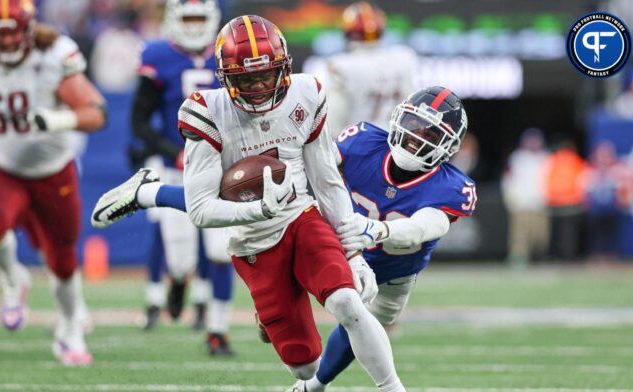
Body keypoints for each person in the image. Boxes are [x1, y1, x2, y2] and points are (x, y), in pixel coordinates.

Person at [93, 14, 405, 391]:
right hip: (252, 239)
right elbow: (202, 208)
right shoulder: (207, 111)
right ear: (225, 78)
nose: (258, 87)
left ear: (284, 69)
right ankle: (149, 191)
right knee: (305, 366)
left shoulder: (307, 93)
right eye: (246, 79)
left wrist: (353, 252)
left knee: (347, 304)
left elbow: (327, 181)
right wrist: (258, 209)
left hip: (300, 215)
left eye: (265, 75)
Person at [0, 0, 106, 365]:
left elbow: (96, 112)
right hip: (0, 160)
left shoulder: (54, 54)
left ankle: (69, 328)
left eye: (13, 34)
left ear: (29, 31)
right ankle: (12, 277)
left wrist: (56, 121)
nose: (6, 44)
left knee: (63, 258)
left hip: (52, 167)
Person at [131, 0, 235, 354]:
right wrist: (169, 148)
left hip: (223, 168)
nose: (193, 25)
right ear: (174, 20)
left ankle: (218, 331)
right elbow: (139, 121)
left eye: (199, 18)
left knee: (222, 251)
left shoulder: (229, 52)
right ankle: (177, 281)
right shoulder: (158, 55)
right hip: (176, 167)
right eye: (187, 18)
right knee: (180, 262)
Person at [303, 1, 419, 136]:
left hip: (359, 144)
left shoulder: (340, 66)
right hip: (395, 141)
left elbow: (333, 122)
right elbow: (411, 107)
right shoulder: (403, 57)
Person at [501, 128, 550, 269]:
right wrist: (511, 197)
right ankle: (518, 258)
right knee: (519, 234)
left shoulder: (546, 158)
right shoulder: (517, 157)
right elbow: (508, 179)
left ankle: (538, 258)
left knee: (540, 235)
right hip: (521, 203)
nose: (534, 144)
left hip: (540, 202)